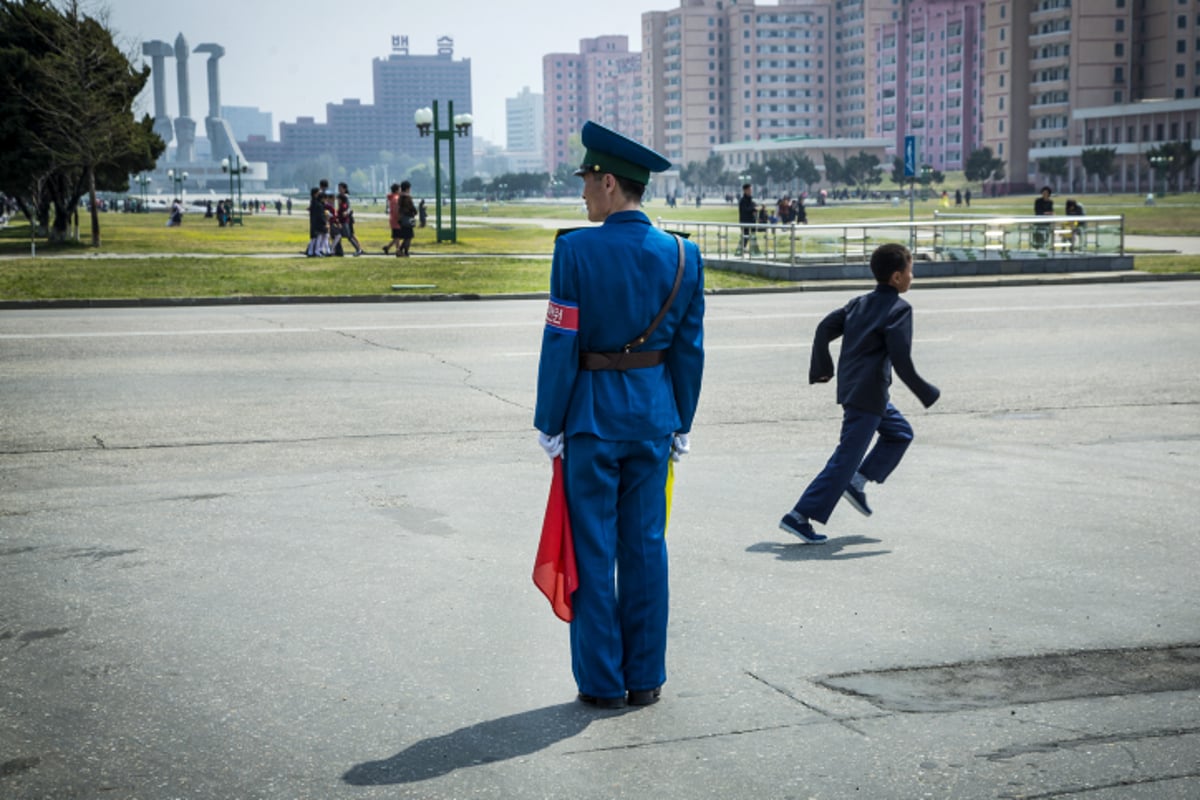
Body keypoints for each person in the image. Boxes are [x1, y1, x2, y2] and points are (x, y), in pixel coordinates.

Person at [534, 120, 705, 710]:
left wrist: (547, 420)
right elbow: (689, 349)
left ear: (609, 183)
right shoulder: (684, 254)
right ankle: (645, 678)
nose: (582, 193)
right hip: (654, 419)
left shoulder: (575, 249)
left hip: (590, 420)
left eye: (586, 181)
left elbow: (561, 342)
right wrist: (681, 421)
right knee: (646, 548)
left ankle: (602, 683)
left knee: (594, 550)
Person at [779, 243, 940, 545]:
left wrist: (822, 367)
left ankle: (857, 481)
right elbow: (901, 359)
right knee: (846, 457)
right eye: (909, 270)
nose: (912, 276)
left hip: (859, 389)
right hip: (869, 395)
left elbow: (824, 327)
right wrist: (925, 391)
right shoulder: (899, 309)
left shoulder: (858, 303)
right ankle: (799, 516)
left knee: (900, 433)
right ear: (896, 277)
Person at [336, 182, 365, 256]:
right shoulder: (339, 196)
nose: (339, 189)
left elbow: (349, 208)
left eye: (340, 188)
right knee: (344, 235)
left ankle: (359, 248)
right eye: (338, 188)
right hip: (342, 218)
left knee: (350, 235)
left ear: (344, 189)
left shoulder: (346, 197)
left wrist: (346, 212)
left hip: (347, 219)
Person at [305, 187, 328, 257]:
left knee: (314, 238)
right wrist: (325, 222)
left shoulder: (314, 202)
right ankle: (316, 251)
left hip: (314, 222)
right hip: (317, 222)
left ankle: (311, 252)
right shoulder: (317, 204)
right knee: (317, 237)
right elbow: (320, 214)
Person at [396, 181, 417, 257]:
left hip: (401, 218)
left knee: (406, 236)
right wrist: (415, 212)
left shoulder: (400, 197)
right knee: (409, 236)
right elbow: (411, 207)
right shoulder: (407, 197)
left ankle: (400, 251)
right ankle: (405, 251)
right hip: (408, 218)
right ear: (408, 188)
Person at [737, 183, 756, 255]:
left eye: (751, 189)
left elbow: (752, 207)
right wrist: (753, 209)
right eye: (749, 189)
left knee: (751, 236)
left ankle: (751, 249)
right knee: (745, 235)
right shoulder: (743, 201)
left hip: (751, 221)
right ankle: (742, 249)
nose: (751, 191)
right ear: (745, 190)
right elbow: (745, 210)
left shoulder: (751, 200)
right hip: (745, 221)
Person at [383, 183, 402, 254]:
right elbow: (396, 210)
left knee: (397, 236)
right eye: (399, 189)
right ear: (397, 190)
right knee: (397, 236)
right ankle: (398, 250)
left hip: (393, 219)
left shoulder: (392, 198)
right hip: (396, 219)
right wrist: (399, 217)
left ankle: (388, 247)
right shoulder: (396, 199)